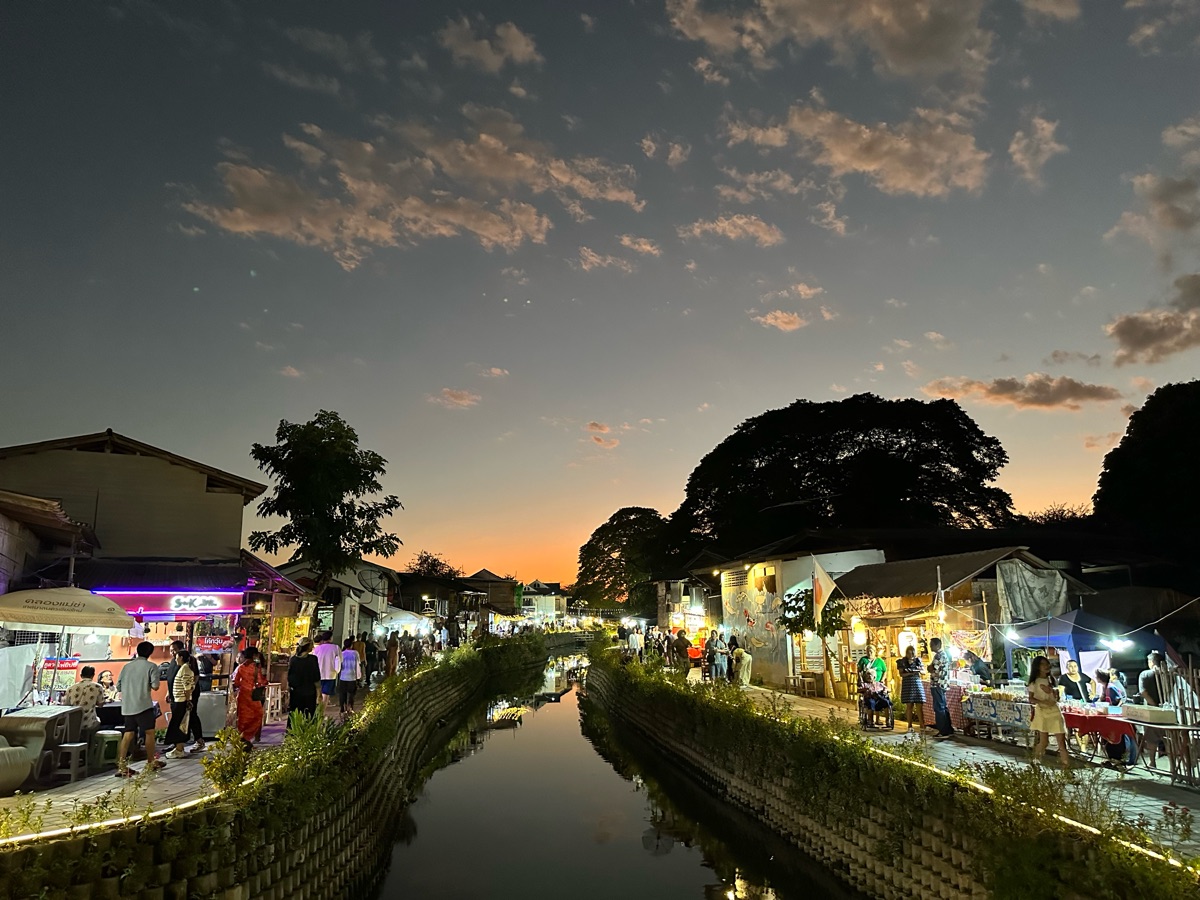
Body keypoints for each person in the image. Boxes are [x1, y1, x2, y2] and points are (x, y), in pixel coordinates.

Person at [115, 641, 162, 776]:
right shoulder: (151, 666)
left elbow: (118, 687)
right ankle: (150, 762)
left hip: (128, 705)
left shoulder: (126, 667)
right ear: (150, 653)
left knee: (128, 734)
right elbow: (156, 686)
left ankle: (122, 766)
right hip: (143, 705)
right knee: (149, 732)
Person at [1028, 655, 1070, 767]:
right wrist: (1042, 702)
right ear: (1037, 667)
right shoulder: (1034, 682)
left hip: (1055, 711)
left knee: (1061, 742)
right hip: (1042, 712)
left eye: (1047, 664)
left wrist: (1052, 691)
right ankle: (1036, 760)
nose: (1046, 666)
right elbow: (1031, 698)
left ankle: (1066, 767)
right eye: (1043, 664)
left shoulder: (1051, 679)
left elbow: (1057, 698)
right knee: (1044, 742)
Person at [1138, 651, 1170, 768]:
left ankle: (1152, 762)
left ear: (1151, 662)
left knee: (1151, 739)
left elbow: (1143, 692)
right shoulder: (1169, 674)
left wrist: (1154, 705)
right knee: (1168, 738)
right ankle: (1172, 766)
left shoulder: (1145, 674)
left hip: (1151, 711)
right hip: (1168, 710)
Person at [231, 647, 267, 750]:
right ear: (254, 655)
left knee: (243, 717)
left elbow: (236, 682)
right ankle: (246, 738)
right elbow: (262, 681)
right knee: (257, 715)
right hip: (253, 696)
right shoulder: (256, 667)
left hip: (243, 695)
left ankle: (242, 739)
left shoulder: (241, 667)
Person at [163, 649, 197, 759]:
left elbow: (187, 688)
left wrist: (188, 701)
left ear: (181, 657)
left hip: (182, 701)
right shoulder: (184, 668)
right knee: (179, 725)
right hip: (179, 700)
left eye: (176, 656)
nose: (175, 659)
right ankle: (178, 748)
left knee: (179, 726)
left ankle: (179, 749)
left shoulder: (186, 669)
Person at [63, 665, 107, 739]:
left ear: (81, 675)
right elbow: (100, 704)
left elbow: (66, 705)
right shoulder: (97, 687)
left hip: (73, 723)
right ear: (93, 675)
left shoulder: (71, 688)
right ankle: (91, 745)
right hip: (90, 722)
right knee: (98, 722)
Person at [287, 638, 321, 725]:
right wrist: (319, 693)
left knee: (295, 715)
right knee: (309, 715)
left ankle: (292, 735)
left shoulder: (293, 659)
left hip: (295, 692)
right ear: (308, 646)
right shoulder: (313, 659)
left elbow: (290, 676)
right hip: (309, 691)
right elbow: (316, 677)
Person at [928, 638, 954, 740]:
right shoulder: (944, 655)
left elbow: (931, 668)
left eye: (931, 645)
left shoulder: (939, 656)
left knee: (939, 708)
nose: (930, 647)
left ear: (937, 645)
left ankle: (943, 730)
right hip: (943, 684)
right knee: (943, 706)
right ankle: (948, 729)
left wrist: (929, 667)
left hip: (937, 684)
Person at [896, 645, 926, 733]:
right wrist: (909, 673)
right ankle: (909, 725)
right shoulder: (902, 661)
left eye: (912, 652)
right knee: (909, 705)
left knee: (919, 705)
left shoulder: (918, 660)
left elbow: (923, 672)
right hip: (908, 684)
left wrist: (919, 670)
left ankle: (922, 725)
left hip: (917, 683)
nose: (911, 654)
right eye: (909, 653)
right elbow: (901, 674)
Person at [859, 663, 893, 728]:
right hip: (870, 698)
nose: (868, 677)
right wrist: (865, 689)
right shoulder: (865, 684)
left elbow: (887, 689)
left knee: (886, 702)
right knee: (870, 703)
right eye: (867, 676)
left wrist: (885, 691)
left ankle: (888, 721)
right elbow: (859, 690)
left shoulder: (879, 684)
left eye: (870, 675)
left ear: (874, 677)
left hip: (879, 698)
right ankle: (871, 721)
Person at [313, 631, 341, 709]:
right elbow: (340, 660)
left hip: (319, 674)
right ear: (331, 638)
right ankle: (322, 711)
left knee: (318, 693)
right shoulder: (336, 648)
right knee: (326, 694)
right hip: (331, 674)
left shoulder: (317, 649)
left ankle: (318, 710)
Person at [338, 638, 362, 716]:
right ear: (351, 645)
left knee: (342, 693)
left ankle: (342, 708)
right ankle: (350, 707)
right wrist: (359, 677)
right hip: (352, 676)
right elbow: (358, 664)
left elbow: (339, 666)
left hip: (343, 676)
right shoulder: (355, 653)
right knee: (351, 693)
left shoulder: (342, 653)